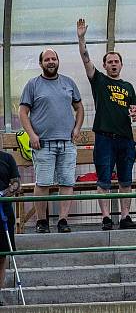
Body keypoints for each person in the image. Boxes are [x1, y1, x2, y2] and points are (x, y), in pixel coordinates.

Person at [77, 19, 136, 230]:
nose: (113, 64)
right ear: (104, 65)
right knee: (103, 179)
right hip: (104, 137)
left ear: (121, 65)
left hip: (125, 139)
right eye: (110, 62)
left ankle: (125, 217)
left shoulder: (128, 86)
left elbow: (134, 111)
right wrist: (82, 38)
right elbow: (86, 60)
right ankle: (105, 217)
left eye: (116, 61)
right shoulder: (100, 81)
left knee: (126, 181)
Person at [18, 48, 84, 234]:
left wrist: (77, 128)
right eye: (47, 59)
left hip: (67, 143)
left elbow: (79, 108)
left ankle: (63, 220)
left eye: (53, 58)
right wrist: (32, 135)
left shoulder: (68, 83)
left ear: (58, 61)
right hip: (43, 144)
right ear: (41, 64)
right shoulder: (33, 84)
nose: (51, 61)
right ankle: (41, 221)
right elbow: (23, 112)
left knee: (67, 183)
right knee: (43, 183)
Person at [0, 149, 20, 284]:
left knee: (1, 256)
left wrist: (2, 194)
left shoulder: (7, 159)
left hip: (3, 212)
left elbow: (16, 184)